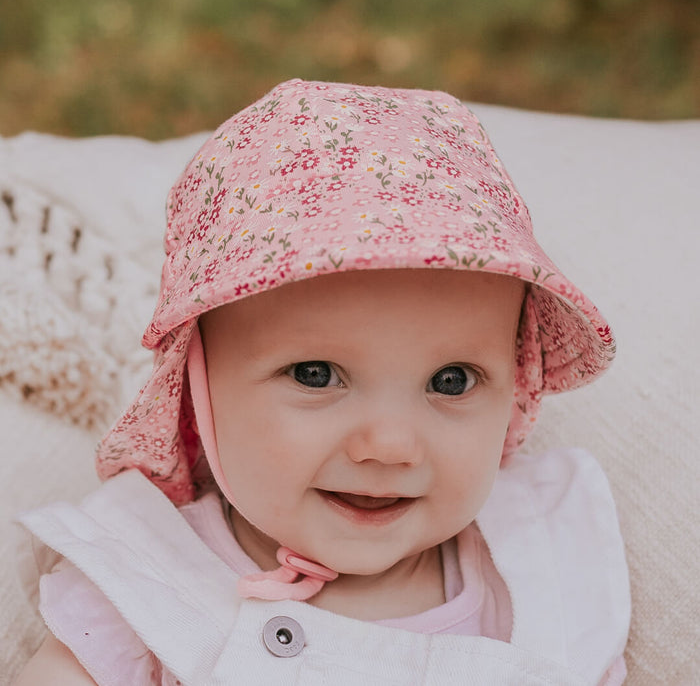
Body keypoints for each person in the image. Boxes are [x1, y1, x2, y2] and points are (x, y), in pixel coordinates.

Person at [15, 79, 629, 685]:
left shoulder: (544, 570)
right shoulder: (145, 580)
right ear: (197, 387)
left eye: (451, 380)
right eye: (316, 375)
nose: (388, 445)